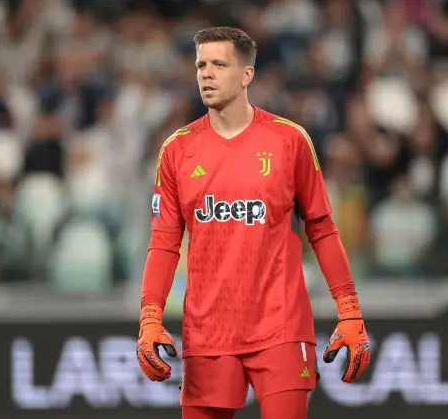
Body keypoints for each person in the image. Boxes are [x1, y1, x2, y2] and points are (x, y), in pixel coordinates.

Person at [136, 27, 371, 419]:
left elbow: (323, 229)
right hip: (208, 332)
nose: (206, 74)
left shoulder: (289, 140)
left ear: (247, 75)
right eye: (200, 64)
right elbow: (163, 244)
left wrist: (349, 312)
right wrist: (149, 318)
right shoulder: (176, 150)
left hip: (280, 326)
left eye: (219, 64)